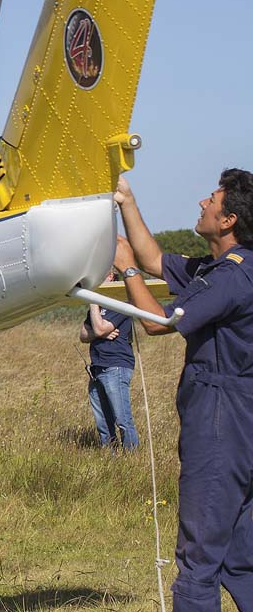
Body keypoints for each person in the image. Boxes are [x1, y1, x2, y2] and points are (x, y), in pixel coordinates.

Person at [113, 168, 253, 612]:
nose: (201, 203)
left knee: (198, 560)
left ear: (228, 219)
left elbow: (157, 323)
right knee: (239, 558)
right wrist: (125, 201)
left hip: (221, 422)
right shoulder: (224, 268)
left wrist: (125, 268)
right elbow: (156, 260)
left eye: (211, 199)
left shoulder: (231, 278)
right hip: (239, 421)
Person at [79, 272, 139, 451]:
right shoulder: (97, 307)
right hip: (97, 368)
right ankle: (110, 457)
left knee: (122, 419)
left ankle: (132, 457)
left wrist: (93, 302)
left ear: (111, 276)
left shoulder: (121, 303)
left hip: (116, 366)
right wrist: (102, 331)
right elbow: (83, 335)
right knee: (103, 422)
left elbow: (98, 329)